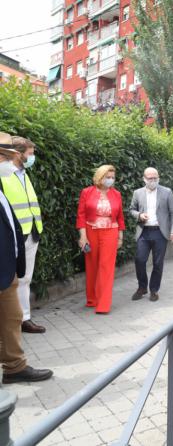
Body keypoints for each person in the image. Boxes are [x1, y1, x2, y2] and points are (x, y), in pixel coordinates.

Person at [0, 133, 53, 383]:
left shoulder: (14, 177)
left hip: (20, 246)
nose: (7, 162)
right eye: (5, 157)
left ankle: (15, 365)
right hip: (7, 253)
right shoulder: (5, 175)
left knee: (15, 307)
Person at [0, 136, 46, 334]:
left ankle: (23, 318)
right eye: (30, 153)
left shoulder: (23, 173)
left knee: (25, 279)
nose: (32, 157)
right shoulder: (4, 174)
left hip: (30, 232)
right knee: (11, 280)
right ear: (17, 154)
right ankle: (15, 320)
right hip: (13, 236)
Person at [76, 165, 125, 314]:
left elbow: (120, 217)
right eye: (107, 177)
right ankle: (92, 299)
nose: (110, 180)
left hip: (111, 231)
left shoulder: (116, 194)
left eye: (112, 177)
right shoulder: (87, 192)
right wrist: (83, 236)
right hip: (91, 231)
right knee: (91, 265)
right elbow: (81, 215)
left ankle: (103, 305)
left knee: (106, 267)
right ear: (99, 177)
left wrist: (120, 237)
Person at [129, 167, 173, 302]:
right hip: (143, 232)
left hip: (159, 232)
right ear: (144, 179)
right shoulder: (137, 193)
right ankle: (142, 287)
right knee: (140, 260)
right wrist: (139, 215)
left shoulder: (167, 192)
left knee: (158, 263)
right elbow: (132, 210)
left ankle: (154, 290)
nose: (153, 180)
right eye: (150, 178)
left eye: (155, 178)